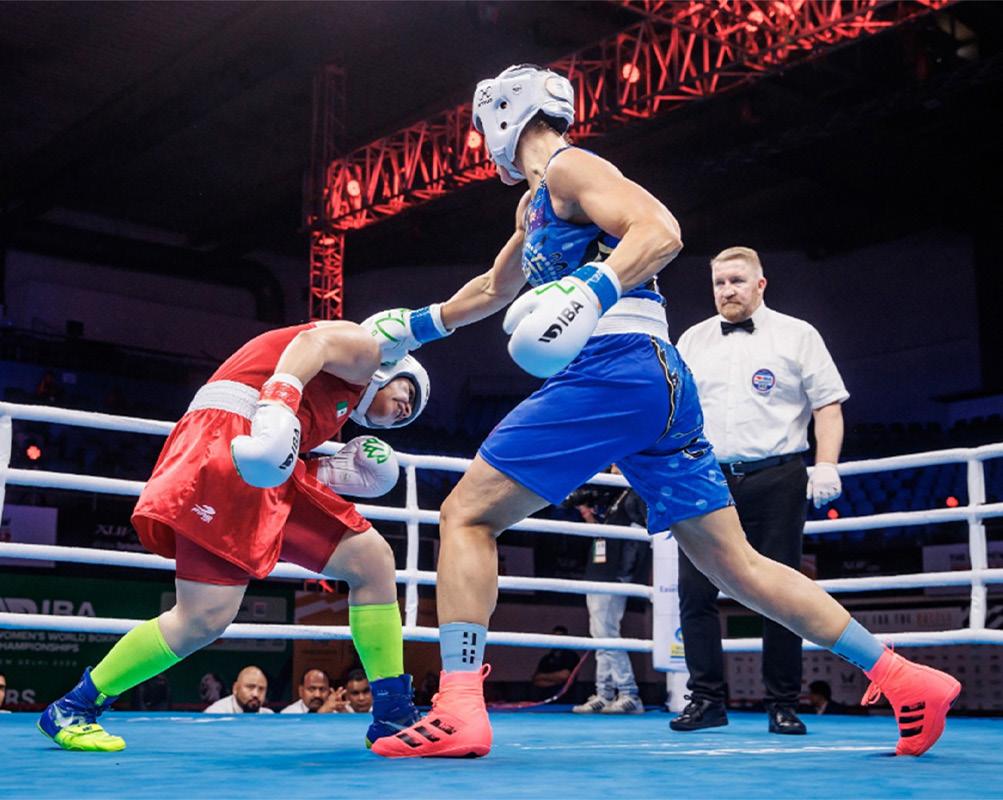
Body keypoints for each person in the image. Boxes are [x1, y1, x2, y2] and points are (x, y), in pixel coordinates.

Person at [363, 64, 961, 759]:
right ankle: (904, 676)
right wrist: (413, 327)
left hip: (613, 366)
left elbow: (660, 230)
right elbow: (494, 288)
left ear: (501, 115)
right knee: (736, 566)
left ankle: (459, 707)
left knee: (466, 515)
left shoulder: (570, 168)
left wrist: (590, 289)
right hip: (657, 382)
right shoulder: (534, 207)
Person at [38, 321, 429, 751]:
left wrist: (323, 470)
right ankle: (75, 706)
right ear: (389, 368)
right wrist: (440, 318)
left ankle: (392, 713)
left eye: (413, 409)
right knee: (200, 619)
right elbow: (310, 346)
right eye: (408, 390)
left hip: (258, 472)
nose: (407, 407)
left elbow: (278, 456)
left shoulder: (332, 404)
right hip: (225, 448)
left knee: (370, 561)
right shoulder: (356, 351)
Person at [670, 246, 848, 736]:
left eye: (736, 281)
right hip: (705, 478)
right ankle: (706, 699)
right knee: (695, 591)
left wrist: (826, 464)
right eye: (719, 282)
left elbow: (828, 405)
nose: (727, 290)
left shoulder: (798, 335)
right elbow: (673, 409)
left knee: (781, 592)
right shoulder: (693, 339)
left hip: (777, 477)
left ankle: (783, 703)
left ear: (760, 284)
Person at [570, 468, 648, 715]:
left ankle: (629, 693)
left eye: (618, 465)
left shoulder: (635, 495)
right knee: (599, 634)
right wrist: (587, 513)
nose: (613, 469)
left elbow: (637, 539)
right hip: (599, 571)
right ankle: (604, 694)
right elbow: (604, 536)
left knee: (607, 633)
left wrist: (624, 574)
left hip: (613, 574)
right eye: (612, 466)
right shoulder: (617, 498)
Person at [531, 626, 580, 701]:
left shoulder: (571, 656)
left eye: (559, 637)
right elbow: (536, 679)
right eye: (554, 637)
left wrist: (545, 677)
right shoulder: (546, 658)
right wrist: (556, 681)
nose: (556, 640)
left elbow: (564, 676)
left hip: (566, 698)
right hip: (545, 698)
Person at [205, 666, 273, 714]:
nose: (256, 694)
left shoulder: (268, 715)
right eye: (250, 687)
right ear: (235, 688)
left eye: (261, 689)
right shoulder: (216, 713)